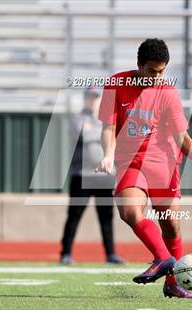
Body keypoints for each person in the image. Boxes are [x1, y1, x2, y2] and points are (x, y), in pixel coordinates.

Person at [96, 38, 192, 298]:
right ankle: (163, 258)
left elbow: (181, 137)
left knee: (170, 224)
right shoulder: (115, 84)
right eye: (152, 71)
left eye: (162, 71)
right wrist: (108, 154)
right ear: (139, 65)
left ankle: (172, 283)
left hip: (163, 162)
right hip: (130, 160)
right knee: (129, 211)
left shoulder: (168, 93)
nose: (157, 77)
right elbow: (108, 128)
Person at [60, 89, 125, 265]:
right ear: (85, 99)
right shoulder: (76, 118)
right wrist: (105, 133)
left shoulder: (108, 119)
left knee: (106, 216)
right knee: (74, 215)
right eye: (90, 97)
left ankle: (111, 254)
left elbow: (116, 137)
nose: (93, 101)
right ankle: (65, 253)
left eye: (96, 98)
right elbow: (84, 135)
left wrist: (106, 132)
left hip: (105, 176)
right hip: (82, 175)